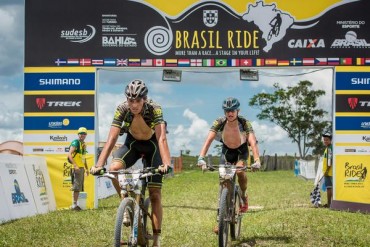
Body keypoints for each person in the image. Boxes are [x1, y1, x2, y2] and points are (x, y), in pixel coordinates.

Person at [90, 79, 171, 247]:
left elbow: (162, 137)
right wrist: (98, 164)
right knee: (114, 169)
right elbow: (112, 138)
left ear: (144, 99)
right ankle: (125, 201)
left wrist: (166, 163)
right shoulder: (122, 109)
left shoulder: (155, 108)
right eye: (130, 100)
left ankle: (156, 240)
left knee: (155, 195)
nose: (133, 105)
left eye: (137, 101)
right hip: (132, 144)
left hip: (153, 146)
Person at [197, 97, 261, 232]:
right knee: (224, 183)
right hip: (227, 152)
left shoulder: (244, 123)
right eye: (227, 111)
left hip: (241, 152)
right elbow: (208, 140)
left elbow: (253, 142)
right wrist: (201, 158)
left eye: (232, 110)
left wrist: (257, 160)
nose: (229, 113)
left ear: (238, 110)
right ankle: (220, 220)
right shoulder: (219, 122)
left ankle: (243, 194)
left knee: (239, 171)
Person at [67, 127, 89, 211]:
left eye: (84, 134)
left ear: (86, 135)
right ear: (78, 134)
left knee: (79, 187)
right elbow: (69, 154)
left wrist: (86, 169)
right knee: (76, 187)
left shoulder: (84, 144)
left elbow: (83, 158)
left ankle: (76, 205)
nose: (82, 135)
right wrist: (75, 166)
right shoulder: (76, 142)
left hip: (81, 168)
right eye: (81, 133)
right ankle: (74, 205)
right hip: (76, 168)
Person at [322, 132, 333, 208]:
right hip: (327, 172)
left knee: (330, 188)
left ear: (330, 140)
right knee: (329, 188)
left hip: (330, 172)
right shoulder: (327, 148)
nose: (325, 141)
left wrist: (326, 171)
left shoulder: (330, 148)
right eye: (324, 140)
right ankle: (329, 203)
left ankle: (331, 204)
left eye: (327, 140)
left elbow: (330, 160)